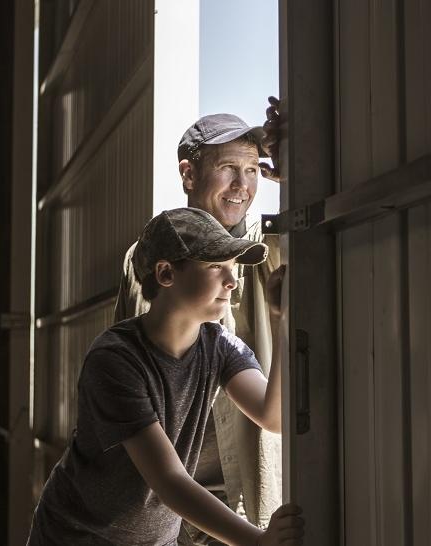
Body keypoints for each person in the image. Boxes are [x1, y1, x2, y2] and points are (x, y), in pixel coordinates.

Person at [28, 207, 304, 546]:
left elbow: (273, 416)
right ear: (166, 273)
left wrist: (281, 321)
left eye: (233, 267)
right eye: (216, 266)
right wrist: (257, 542)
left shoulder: (219, 346)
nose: (231, 280)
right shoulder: (115, 359)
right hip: (79, 536)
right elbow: (168, 479)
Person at [113, 107, 285, 545]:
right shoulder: (147, 258)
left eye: (251, 169)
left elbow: (274, 414)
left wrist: (297, 174)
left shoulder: (270, 249)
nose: (242, 185)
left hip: (246, 504)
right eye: (228, 167)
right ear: (189, 174)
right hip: (167, 507)